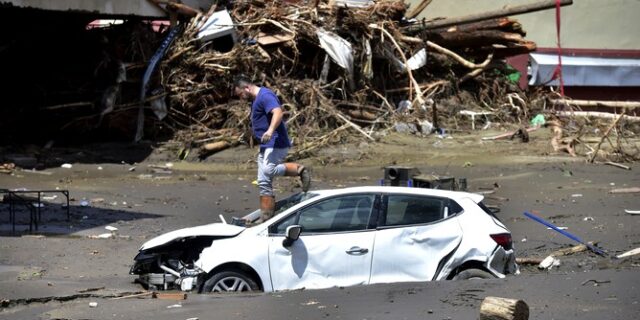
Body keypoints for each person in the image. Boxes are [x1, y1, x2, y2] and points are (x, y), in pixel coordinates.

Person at [234, 76, 311, 222]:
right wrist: (249, 134)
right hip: (266, 145)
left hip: (276, 142)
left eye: (240, 95)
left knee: (269, 170)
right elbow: (259, 121)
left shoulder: (265, 95)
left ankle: (299, 169)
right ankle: (266, 217)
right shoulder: (255, 100)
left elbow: (277, 112)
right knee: (263, 180)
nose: (241, 98)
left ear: (246, 88)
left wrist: (269, 131)